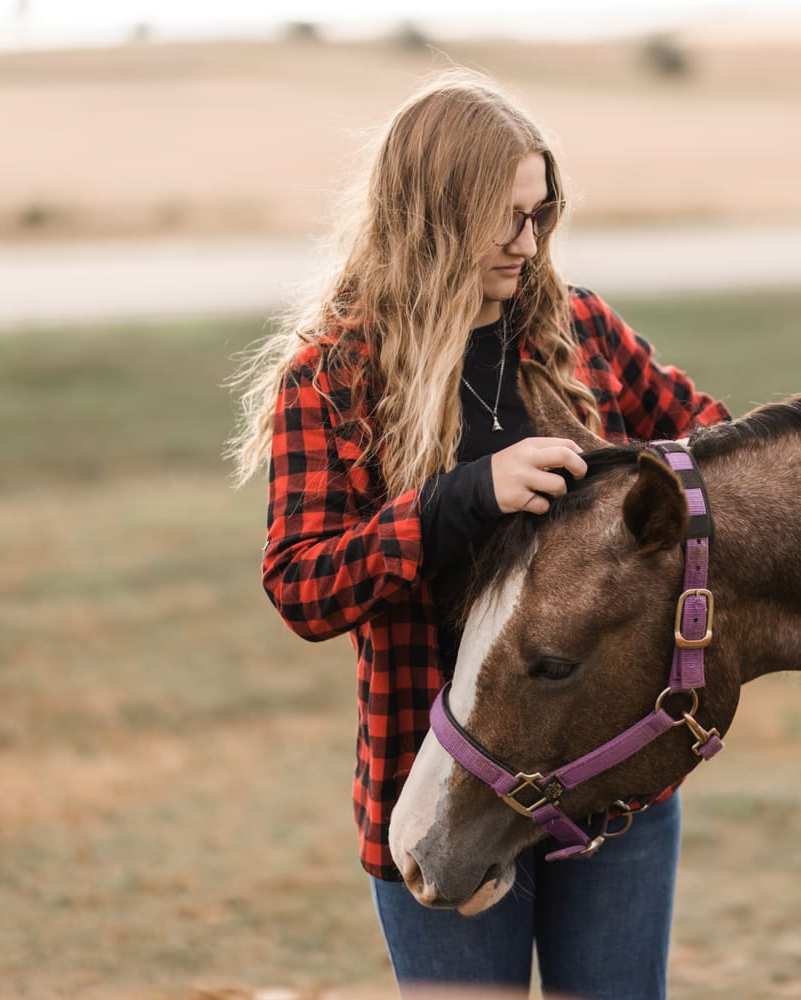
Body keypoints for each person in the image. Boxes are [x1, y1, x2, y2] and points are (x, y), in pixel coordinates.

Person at [225, 69, 729, 998]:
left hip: (606, 786)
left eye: (543, 214)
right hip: (440, 791)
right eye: (505, 218)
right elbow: (301, 586)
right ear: (431, 216)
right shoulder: (332, 379)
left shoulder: (582, 331)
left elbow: (719, 451)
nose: (530, 243)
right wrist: (459, 499)